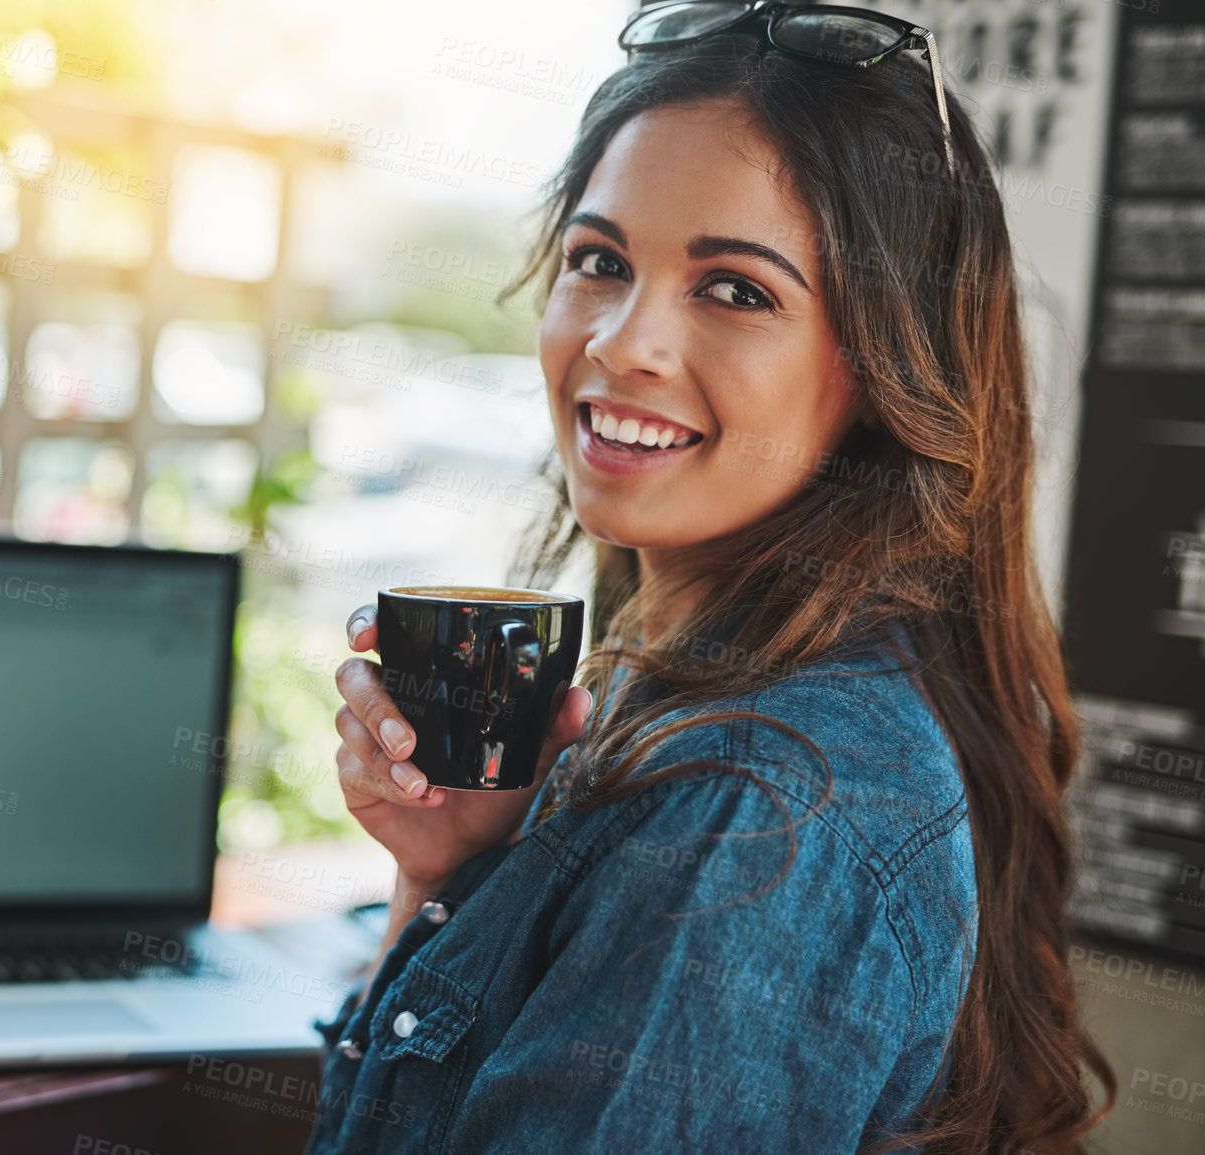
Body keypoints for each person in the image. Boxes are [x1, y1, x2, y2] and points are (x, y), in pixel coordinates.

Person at [312, 5, 1113, 1153]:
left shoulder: (759, 806)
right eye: (598, 261)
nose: (624, 343)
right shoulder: (688, 708)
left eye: (736, 289)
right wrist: (448, 871)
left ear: (890, 368)